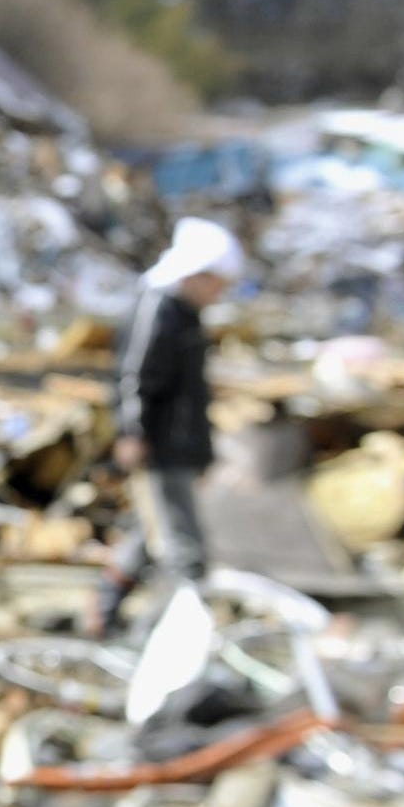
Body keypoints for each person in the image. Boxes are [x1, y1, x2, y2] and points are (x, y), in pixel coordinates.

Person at [96, 216, 245, 636]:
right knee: (184, 549)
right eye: (216, 283)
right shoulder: (157, 307)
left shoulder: (183, 313)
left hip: (178, 446)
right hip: (160, 447)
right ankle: (162, 635)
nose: (219, 293)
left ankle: (104, 610)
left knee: (151, 533)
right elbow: (133, 375)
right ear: (197, 276)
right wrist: (131, 431)